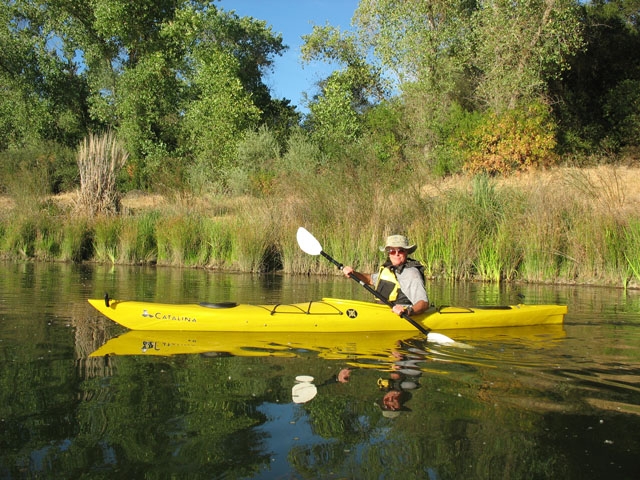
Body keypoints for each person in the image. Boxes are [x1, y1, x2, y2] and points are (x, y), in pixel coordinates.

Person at [342, 234, 430, 317]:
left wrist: (408, 311)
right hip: (381, 311)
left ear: (406, 252)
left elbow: (424, 303)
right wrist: (353, 273)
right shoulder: (389, 268)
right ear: (388, 253)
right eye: (392, 251)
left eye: (401, 250)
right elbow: (370, 280)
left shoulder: (411, 274)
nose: (396, 254)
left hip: (400, 315)